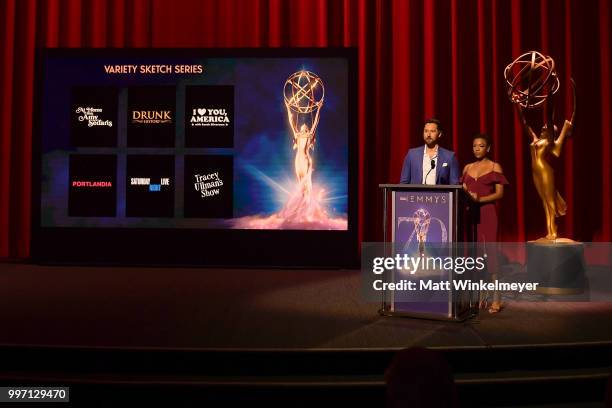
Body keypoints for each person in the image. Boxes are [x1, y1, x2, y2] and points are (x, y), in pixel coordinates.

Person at [461, 134, 508, 314]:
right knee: (472, 254)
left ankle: (497, 298)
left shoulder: (495, 166)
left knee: (491, 253)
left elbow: (499, 194)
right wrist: (465, 193)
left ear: (488, 148)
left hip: (487, 213)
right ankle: (474, 296)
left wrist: (480, 199)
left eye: (481, 146)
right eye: (474, 146)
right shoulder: (467, 168)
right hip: (469, 215)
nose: (477, 149)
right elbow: (462, 191)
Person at [400, 118, 460, 185]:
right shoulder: (412, 154)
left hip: (440, 195)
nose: (428, 135)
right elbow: (404, 182)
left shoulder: (450, 157)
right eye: (426, 131)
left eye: (432, 131)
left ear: (439, 134)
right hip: (416, 195)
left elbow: (454, 185)